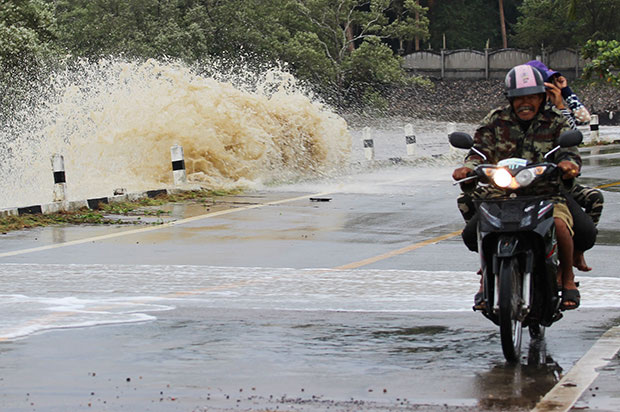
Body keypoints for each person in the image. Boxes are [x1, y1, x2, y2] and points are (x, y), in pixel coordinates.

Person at [453, 64, 582, 310]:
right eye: (519, 98)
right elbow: (479, 150)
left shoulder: (555, 122)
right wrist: (468, 168)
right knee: (477, 222)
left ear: (542, 98)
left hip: (544, 192)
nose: (526, 103)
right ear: (510, 100)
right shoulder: (495, 120)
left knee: (559, 224)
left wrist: (567, 164)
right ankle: (484, 279)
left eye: (532, 97)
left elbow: (569, 152)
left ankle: (568, 279)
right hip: (500, 192)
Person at [525, 60, 604, 271]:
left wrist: (565, 95)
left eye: (554, 81)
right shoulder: (525, 107)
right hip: (520, 177)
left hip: (554, 180)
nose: (552, 85)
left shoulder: (557, 109)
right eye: (549, 81)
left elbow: (582, 121)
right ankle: (488, 260)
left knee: (594, 198)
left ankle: (577, 253)